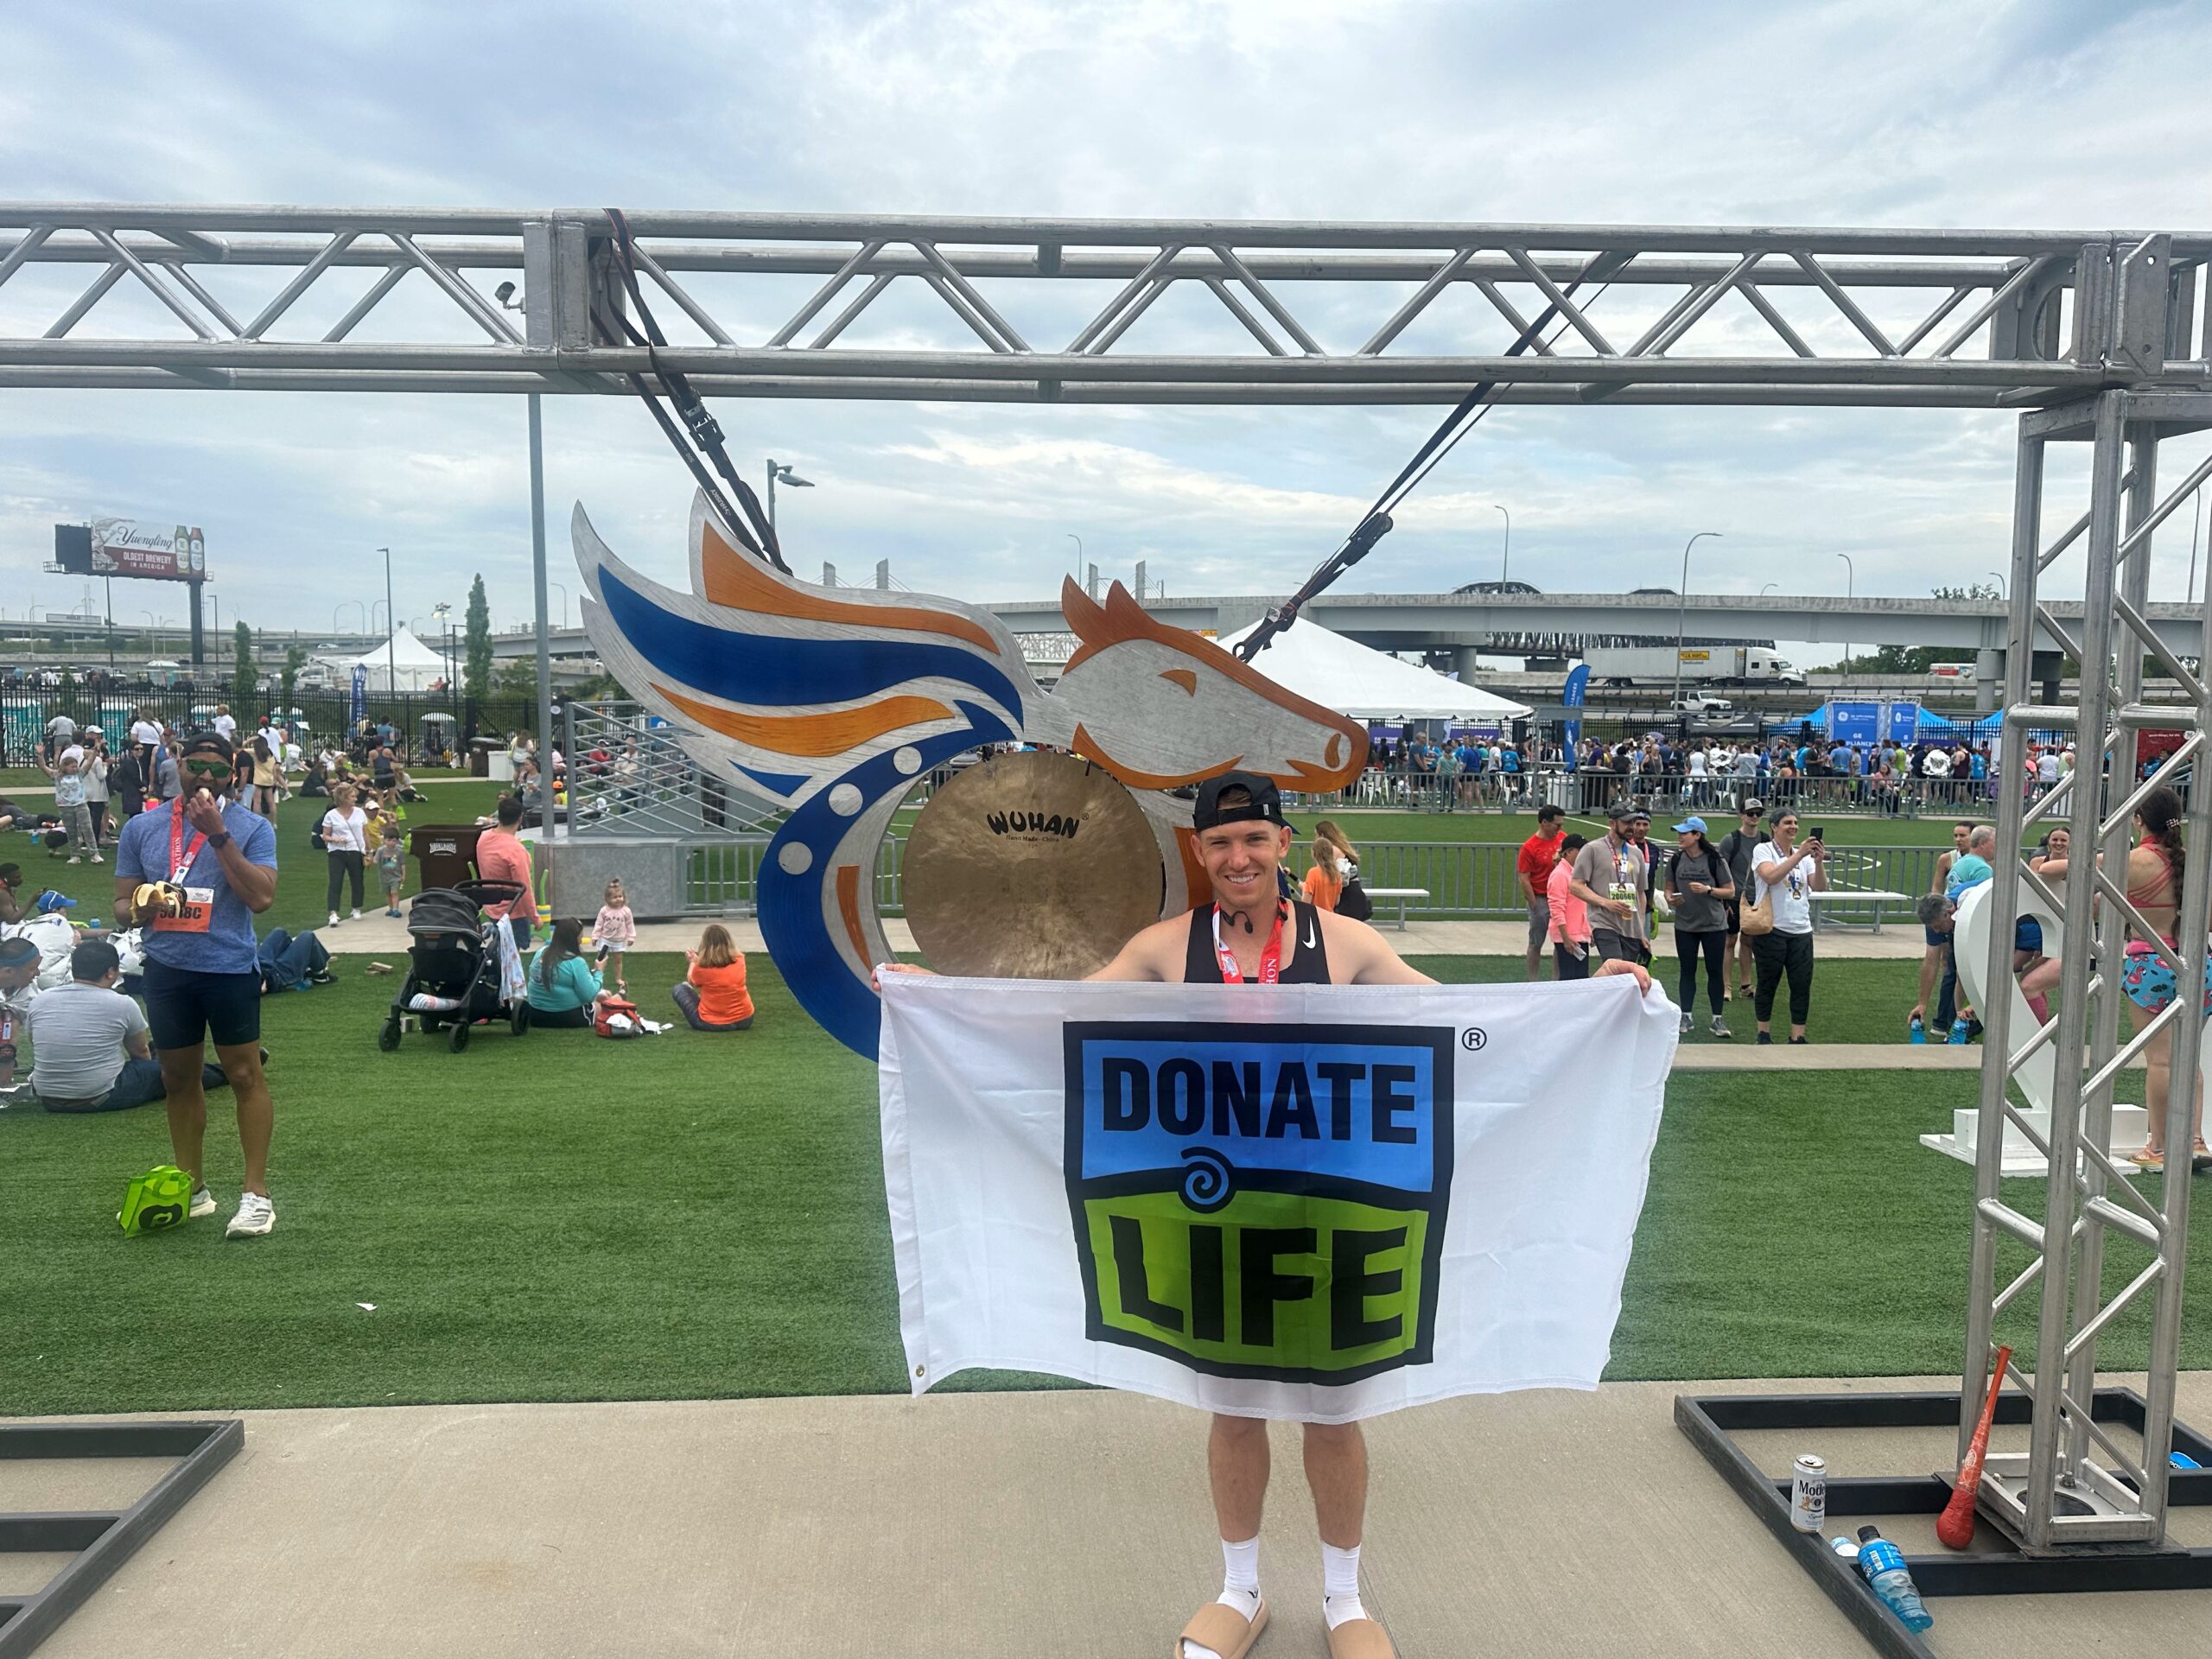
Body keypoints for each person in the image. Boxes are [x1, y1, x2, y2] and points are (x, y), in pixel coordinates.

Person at [882, 770, 1649, 1659]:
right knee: (1234, 1407)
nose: (1238, 857)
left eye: (1254, 840)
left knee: (1332, 1411)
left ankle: (1344, 1599)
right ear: (1200, 854)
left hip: (1331, 1214)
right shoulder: (1169, 948)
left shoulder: (1346, 942)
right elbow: (1053, 1020)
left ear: (1283, 845)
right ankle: (1239, 1588)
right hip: (1210, 1218)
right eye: (1219, 844)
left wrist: (1588, 998)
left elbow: (1464, 1024)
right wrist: (934, 994)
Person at [112, 731, 280, 1239]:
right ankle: (194, 1188)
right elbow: (120, 908)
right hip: (166, 969)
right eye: (197, 766)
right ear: (178, 765)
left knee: (245, 1076)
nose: (206, 778)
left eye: (219, 770)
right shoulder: (143, 827)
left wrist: (218, 835)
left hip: (228, 968)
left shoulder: (252, 827)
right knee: (177, 1080)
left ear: (235, 775)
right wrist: (143, 905)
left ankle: (256, 1196)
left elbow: (261, 900)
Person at [2037, 787, 2208, 1172]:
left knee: (2160, 1060)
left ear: (2138, 820)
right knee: (2188, 1059)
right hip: (2197, 964)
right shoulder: (2193, 862)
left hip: (2150, 964)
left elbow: (2055, 869)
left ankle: (2161, 1146)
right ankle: (2195, 1141)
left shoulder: (2133, 860)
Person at [15, 938, 232, 1112]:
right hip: (98, 1096)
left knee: (159, 1058)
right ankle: (228, 1072)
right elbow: (140, 1054)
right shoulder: (122, 1003)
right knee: (174, 1070)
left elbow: (38, 1043)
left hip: (46, 1097)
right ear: (111, 972)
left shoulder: (41, 1000)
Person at [1750, 807, 1827, 1045]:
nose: (1793, 827)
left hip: (1801, 930)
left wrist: (1818, 861)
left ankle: (1798, 1035)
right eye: (1787, 823)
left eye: (1795, 823)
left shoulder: (1803, 857)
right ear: (1774, 827)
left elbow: (1819, 886)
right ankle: (1763, 1032)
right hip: (1771, 928)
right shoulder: (1763, 850)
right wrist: (1800, 854)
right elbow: (1770, 876)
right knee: (1767, 983)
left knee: (1801, 985)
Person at [1664, 816, 1735, 1039]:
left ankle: (1717, 1019)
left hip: (1714, 925)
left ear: (1697, 836)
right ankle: (1686, 1015)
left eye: (1684, 833)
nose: (1680, 837)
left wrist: (1708, 890)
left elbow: (1730, 891)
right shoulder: (1676, 860)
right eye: (1679, 832)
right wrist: (1669, 898)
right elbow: (1668, 888)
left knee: (1715, 972)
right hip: (1685, 924)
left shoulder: (1715, 860)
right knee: (1687, 970)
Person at [1910, 822, 1974, 1040]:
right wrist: (1922, 1002)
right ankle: (1946, 1021)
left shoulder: (1981, 863)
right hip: (1942, 909)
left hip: (1964, 917)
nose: (1958, 839)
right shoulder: (1947, 859)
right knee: (1949, 968)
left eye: (1963, 835)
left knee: (1961, 969)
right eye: (1955, 835)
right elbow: (1930, 961)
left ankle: (1960, 1020)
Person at [1569, 802, 1649, 966]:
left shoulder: (1636, 854)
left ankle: (1595, 990)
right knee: (1616, 967)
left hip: (1630, 926)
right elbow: (1576, 885)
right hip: (1604, 923)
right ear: (1612, 823)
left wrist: (1641, 929)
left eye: (1633, 822)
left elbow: (1640, 893)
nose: (1632, 827)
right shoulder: (1592, 849)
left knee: (1625, 976)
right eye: (1627, 822)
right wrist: (1606, 903)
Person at [1717, 798, 1765, 1001]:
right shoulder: (1731, 840)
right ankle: (1725, 986)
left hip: (1756, 897)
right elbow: (1720, 869)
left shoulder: (1765, 839)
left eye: (1758, 813)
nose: (1754, 817)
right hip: (1735, 897)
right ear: (1742, 815)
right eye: (1750, 813)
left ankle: (1746, 984)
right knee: (1730, 940)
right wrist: (1724, 900)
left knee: (1749, 941)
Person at [474, 795, 536, 948]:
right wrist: (535, 918)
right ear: (520, 819)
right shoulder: (516, 851)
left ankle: (493, 930)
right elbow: (524, 889)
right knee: (512, 960)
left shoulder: (483, 838)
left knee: (499, 954)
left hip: (491, 906)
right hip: (513, 914)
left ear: (499, 815)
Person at [673, 922, 754, 1031]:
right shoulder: (740, 960)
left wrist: (693, 962)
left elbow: (691, 980)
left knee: (680, 988)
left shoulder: (702, 967)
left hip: (712, 1023)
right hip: (745, 1019)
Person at [1516, 804, 1566, 981]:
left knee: (1560, 942)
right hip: (1541, 898)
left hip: (1560, 898)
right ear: (1544, 823)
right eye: (1557, 825)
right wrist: (1534, 904)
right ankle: (1533, 981)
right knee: (1536, 942)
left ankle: (1555, 981)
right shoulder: (1530, 847)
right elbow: (1524, 877)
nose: (1559, 829)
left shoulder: (1562, 839)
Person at [525, 917, 604, 1028]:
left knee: (603, 996)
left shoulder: (540, 953)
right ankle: (622, 994)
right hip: (568, 1016)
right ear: (576, 939)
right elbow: (589, 996)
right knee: (606, 1005)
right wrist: (599, 971)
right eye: (580, 937)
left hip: (535, 1015)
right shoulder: (576, 962)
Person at [39, 747, 100, 865]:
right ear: (65, 766)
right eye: (72, 766)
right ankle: (75, 855)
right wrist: (41, 755)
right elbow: (43, 767)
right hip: (65, 807)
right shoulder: (57, 776)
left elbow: (89, 762)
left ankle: (94, 854)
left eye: (76, 766)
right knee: (71, 831)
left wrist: (94, 752)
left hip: (80, 805)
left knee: (87, 829)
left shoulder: (80, 774)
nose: (75, 768)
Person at [321, 782, 369, 926]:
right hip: (336, 851)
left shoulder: (360, 813)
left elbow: (365, 833)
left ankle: (356, 907)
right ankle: (333, 912)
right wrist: (334, 839)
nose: (355, 799)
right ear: (343, 798)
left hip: (355, 850)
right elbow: (325, 835)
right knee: (335, 882)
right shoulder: (331, 815)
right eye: (352, 796)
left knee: (357, 880)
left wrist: (369, 851)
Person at [1547, 830, 1592, 979]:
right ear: (1568, 852)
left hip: (1578, 934)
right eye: (1581, 851)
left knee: (1580, 977)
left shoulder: (1575, 874)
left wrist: (1588, 931)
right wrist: (1565, 937)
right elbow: (1556, 908)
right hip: (1569, 936)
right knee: (1569, 978)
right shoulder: (1560, 875)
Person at [1302, 820, 1357, 913]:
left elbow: (1306, 901)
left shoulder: (1313, 873)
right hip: (1330, 914)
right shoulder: (1336, 875)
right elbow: (1336, 901)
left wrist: (1304, 888)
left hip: (1316, 915)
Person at [595, 877, 637, 995]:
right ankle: (598, 976)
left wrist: (631, 937)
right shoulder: (604, 911)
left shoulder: (626, 911)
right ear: (607, 899)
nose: (618, 899)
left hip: (618, 940)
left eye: (620, 896)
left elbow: (630, 924)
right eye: (614, 897)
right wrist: (595, 936)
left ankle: (618, 978)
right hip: (605, 939)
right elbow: (599, 924)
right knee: (601, 958)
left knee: (618, 960)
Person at [81, 731, 111, 843]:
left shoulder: (81, 758)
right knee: (97, 819)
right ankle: (95, 840)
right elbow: (101, 776)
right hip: (97, 793)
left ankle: (85, 839)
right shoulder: (97, 760)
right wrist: (106, 767)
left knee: (87, 818)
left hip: (85, 791)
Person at [373, 822, 407, 918]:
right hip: (384, 877)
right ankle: (391, 908)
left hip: (395, 876)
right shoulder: (381, 850)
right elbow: (375, 861)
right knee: (388, 894)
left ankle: (396, 909)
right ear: (384, 840)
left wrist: (403, 874)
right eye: (389, 840)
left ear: (397, 841)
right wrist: (370, 859)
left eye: (394, 841)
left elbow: (403, 864)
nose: (391, 843)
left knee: (394, 892)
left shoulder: (399, 851)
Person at [249, 735, 283, 817]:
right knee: (271, 802)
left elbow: (240, 749)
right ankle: (274, 822)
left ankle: (256, 820)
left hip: (258, 780)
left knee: (257, 802)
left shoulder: (255, 753)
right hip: (268, 780)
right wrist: (275, 780)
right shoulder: (270, 755)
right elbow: (274, 769)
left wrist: (249, 740)